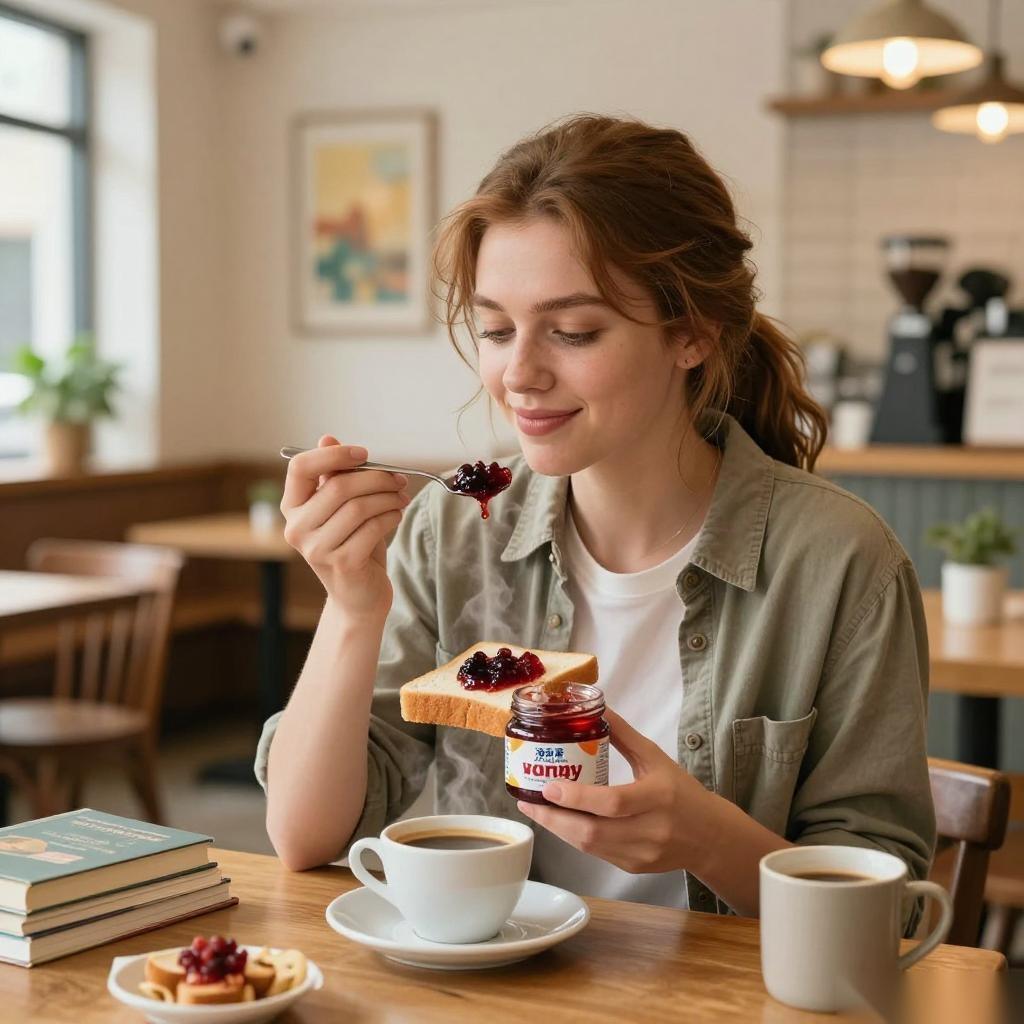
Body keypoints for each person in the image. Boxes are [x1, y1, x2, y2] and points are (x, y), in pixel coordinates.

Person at [256, 114, 934, 920]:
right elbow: (303, 837)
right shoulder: (453, 531)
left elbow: (891, 914)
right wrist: (352, 606)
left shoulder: (840, 562)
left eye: (573, 331)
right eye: (497, 329)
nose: (519, 375)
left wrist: (710, 838)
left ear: (692, 333)